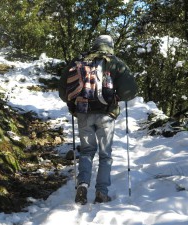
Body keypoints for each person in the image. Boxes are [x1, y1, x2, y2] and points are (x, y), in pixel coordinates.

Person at [58, 35, 137, 204]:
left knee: (86, 151)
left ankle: (83, 185)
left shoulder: (79, 61)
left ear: (94, 45)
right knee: (105, 155)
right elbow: (130, 91)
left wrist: (74, 103)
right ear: (110, 46)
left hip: (83, 113)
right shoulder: (116, 63)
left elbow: (63, 91)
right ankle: (101, 192)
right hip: (106, 115)